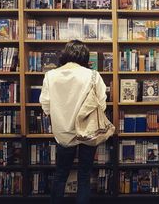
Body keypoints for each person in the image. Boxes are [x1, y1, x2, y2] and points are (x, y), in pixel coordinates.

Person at [40, 40, 107, 204]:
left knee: (61, 175)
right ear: (84, 56)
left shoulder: (51, 75)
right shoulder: (92, 75)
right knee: (84, 176)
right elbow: (102, 103)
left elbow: (46, 106)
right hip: (88, 132)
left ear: (65, 54)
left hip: (63, 133)